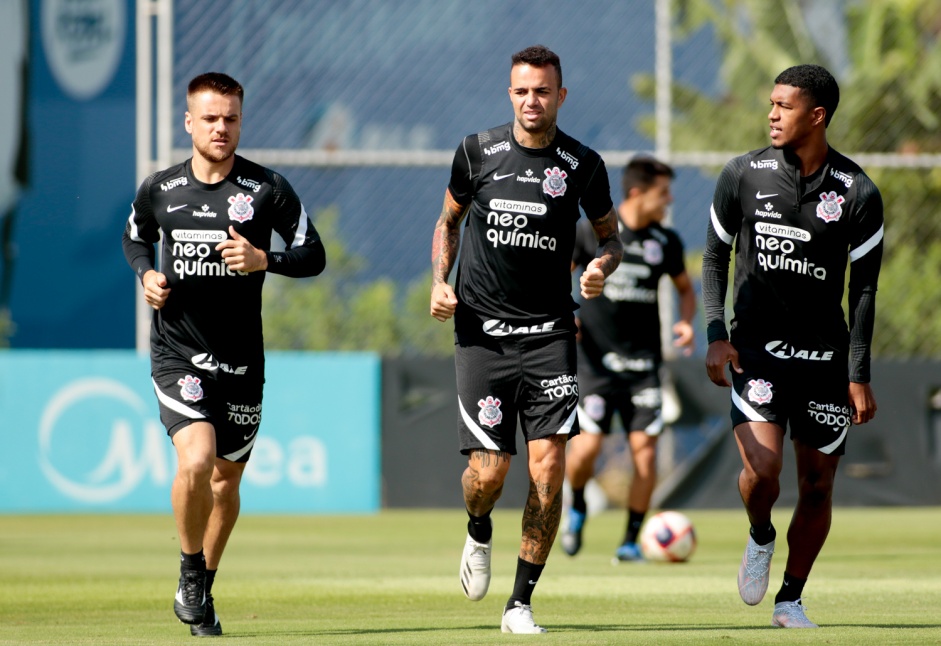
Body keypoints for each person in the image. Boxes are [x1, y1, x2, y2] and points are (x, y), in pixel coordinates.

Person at [122, 72, 326, 637]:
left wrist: (266, 260)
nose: (220, 128)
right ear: (189, 122)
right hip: (178, 352)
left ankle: (203, 587)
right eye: (209, 118)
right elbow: (136, 237)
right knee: (195, 460)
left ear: (241, 121)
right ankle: (190, 572)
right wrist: (146, 276)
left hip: (242, 361)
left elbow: (313, 254)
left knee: (225, 484)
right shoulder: (160, 189)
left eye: (230, 118)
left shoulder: (268, 190)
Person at [429, 45, 622, 634]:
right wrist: (439, 281)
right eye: (521, 90)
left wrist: (601, 268)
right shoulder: (475, 152)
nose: (531, 100)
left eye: (542, 90)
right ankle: (479, 529)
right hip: (481, 336)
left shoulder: (583, 164)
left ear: (560, 96)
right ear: (508, 93)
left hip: (550, 336)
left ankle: (520, 604)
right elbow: (448, 221)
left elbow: (611, 239)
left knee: (548, 469)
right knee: (488, 475)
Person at [701, 64, 883, 629]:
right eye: (771, 104)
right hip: (756, 352)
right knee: (763, 470)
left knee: (818, 484)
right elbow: (713, 258)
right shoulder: (743, 174)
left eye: (784, 106)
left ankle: (791, 598)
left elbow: (866, 290)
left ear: (817, 115)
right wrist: (715, 335)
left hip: (825, 360)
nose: (773, 114)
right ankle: (760, 535)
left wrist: (857, 373)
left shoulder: (857, 191)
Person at [562, 156, 696, 562]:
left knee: (645, 453)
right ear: (637, 192)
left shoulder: (665, 243)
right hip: (594, 366)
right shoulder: (589, 234)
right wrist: (567, 315)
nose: (668, 200)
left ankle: (631, 540)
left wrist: (687, 323)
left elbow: (686, 290)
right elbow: (556, 280)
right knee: (585, 450)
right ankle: (580, 504)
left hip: (643, 368)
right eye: (663, 193)